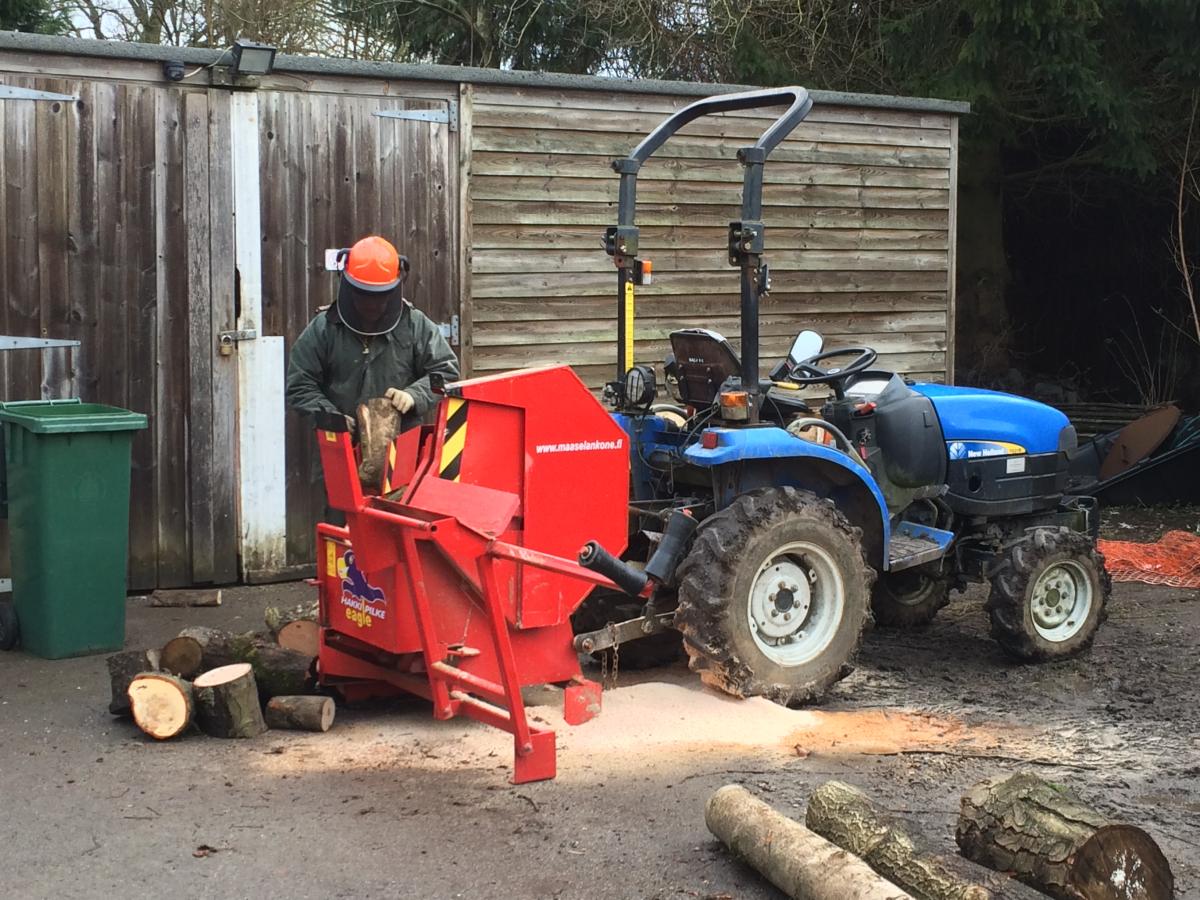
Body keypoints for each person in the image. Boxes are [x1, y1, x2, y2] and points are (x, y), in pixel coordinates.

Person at [286, 235, 460, 432]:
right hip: (341, 448)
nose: (371, 304)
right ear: (350, 288)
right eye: (363, 295)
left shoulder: (414, 324)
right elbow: (300, 385)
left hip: (402, 448)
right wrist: (331, 419)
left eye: (380, 296)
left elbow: (446, 373)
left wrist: (415, 395)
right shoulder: (325, 327)